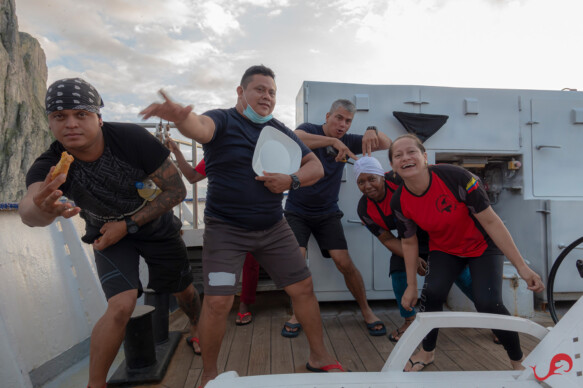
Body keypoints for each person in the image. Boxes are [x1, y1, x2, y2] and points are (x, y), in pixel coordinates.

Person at [140, 65, 346, 387]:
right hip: (226, 231)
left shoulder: (280, 131)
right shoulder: (222, 120)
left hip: (273, 228)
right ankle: (209, 375)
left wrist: (291, 181)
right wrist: (182, 119)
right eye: (260, 89)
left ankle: (319, 357)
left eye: (272, 92)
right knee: (219, 301)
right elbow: (201, 128)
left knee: (303, 288)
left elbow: (315, 166)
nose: (267, 96)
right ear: (241, 91)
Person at [18, 78, 203, 388]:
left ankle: (197, 323)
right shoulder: (52, 165)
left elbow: (175, 190)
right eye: (59, 116)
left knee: (182, 289)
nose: (71, 124)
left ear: (99, 118)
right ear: (49, 122)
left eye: (81, 114)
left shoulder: (132, 139)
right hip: (105, 232)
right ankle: (95, 385)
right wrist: (41, 208)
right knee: (120, 305)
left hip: (156, 228)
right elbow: (29, 211)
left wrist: (127, 226)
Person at [388, 134, 545, 371]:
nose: (405, 158)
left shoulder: (456, 178)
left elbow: (492, 223)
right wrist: (411, 285)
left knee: (488, 302)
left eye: (411, 152)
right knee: (432, 294)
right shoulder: (399, 201)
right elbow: (408, 243)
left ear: (425, 157)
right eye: (398, 155)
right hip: (444, 249)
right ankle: (427, 352)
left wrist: (522, 267)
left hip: (482, 246)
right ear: (392, 166)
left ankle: (517, 359)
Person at [282, 99, 392, 338]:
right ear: (328, 115)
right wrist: (332, 141)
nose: (343, 124)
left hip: (327, 212)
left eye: (348, 121)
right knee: (296, 261)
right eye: (339, 118)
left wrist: (372, 130)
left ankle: (366, 310)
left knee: (344, 262)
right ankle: (296, 313)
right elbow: (294, 137)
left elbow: (387, 144)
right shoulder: (310, 130)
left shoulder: (351, 139)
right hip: (296, 210)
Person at [354, 156, 474, 342]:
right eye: (361, 182)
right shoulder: (364, 208)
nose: (367, 186)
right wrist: (413, 257)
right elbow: (386, 238)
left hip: (433, 231)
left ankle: (494, 317)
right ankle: (409, 320)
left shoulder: (399, 180)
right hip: (407, 240)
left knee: (461, 275)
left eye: (372, 179)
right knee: (398, 272)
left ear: (382, 176)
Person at [166, 142, 258, 325]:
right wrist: (176, 152)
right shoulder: (216, 153)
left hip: (252, 215)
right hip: (222, 219)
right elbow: (192, 177)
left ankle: (245, 304)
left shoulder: (254, 151)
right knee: (219, 264)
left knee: (250, 264)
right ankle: (219, 306)